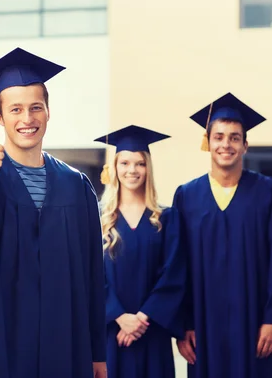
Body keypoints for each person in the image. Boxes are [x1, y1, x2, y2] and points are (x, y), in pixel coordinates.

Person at [0, 47, 107, 378]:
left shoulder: (76, 186)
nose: (27, 119)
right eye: (16, 109)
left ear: (49, 112)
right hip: (2, 339)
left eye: (36, 108)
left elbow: (93, 274)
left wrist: (97, 352)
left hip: (63, 341)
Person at [173, 92, 272, 378]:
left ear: (245, 145)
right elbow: (178, 266)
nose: (226, 144)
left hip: (255, 324)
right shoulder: (187, 196)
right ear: (207, 143)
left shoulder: (269, 192)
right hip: (204, 325)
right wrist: (183, 324)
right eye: (219, 136)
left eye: (235, 137)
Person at [95, 125, 185, 378]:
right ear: (114, 167)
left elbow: (174, 274)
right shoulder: (97, 218)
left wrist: (142, 319)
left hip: (152, 332)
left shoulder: (167, 218)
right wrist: (119, 316)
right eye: (124, 163)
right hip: (111, 332)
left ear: (148, 168)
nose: (132, 170)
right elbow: (88, 274)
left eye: (139, 163)